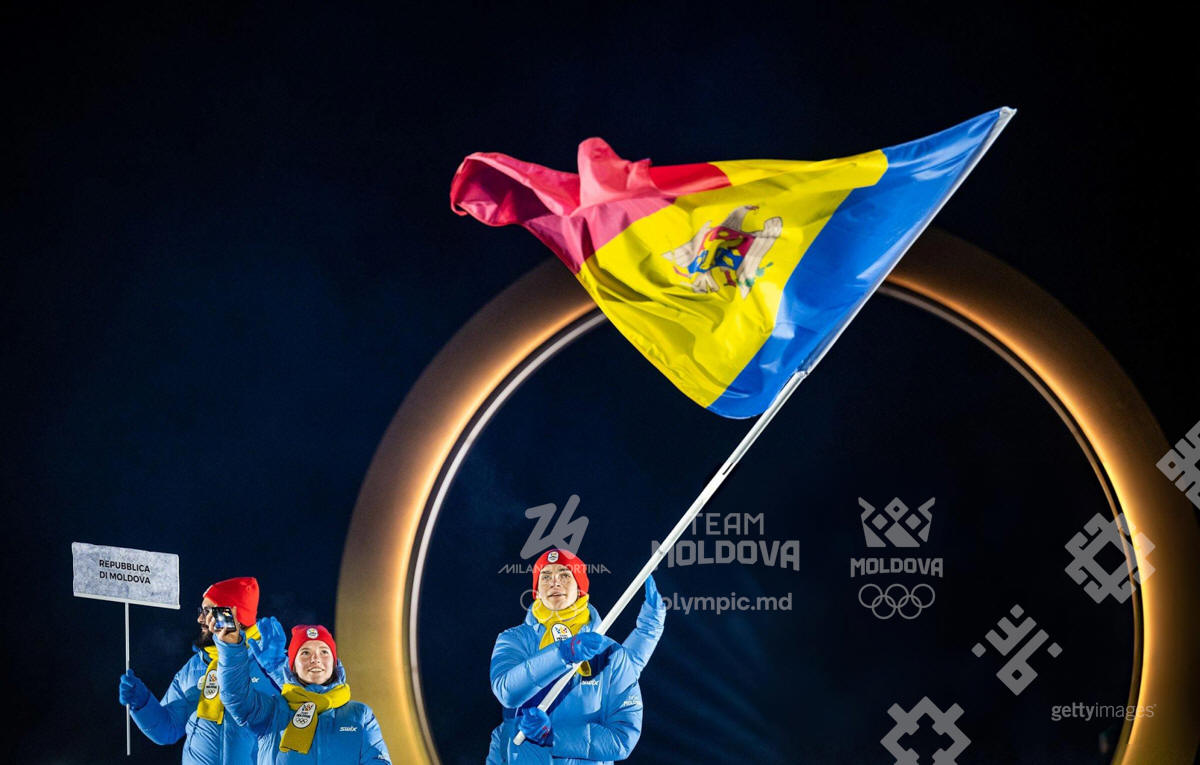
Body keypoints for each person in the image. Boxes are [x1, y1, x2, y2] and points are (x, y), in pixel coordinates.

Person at [485, 548, 663, 764]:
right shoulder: (514, 639)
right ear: (536, 591)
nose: (554, 582)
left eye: (564, 575)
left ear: (580, 588)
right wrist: (562, 654)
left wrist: (552, 736)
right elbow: (507, 691)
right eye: (545, 576)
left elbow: (622, 738)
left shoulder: (611, 653)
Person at [118, 576, 286, 764]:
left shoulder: (271, 663)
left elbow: (298, 716)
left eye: (207, 611)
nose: (200, 618)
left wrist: (279, 670)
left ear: (232, 614)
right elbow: (168, 730)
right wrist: (143, 704)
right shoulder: (194, 667)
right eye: (201, 611)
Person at [212, 617, 391, 764]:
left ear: (334, 663)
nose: (315, 659)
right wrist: (230, 649)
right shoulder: (272, 712)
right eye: (305, 652)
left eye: (324, 651)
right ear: (293, 666)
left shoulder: (359, 715)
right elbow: (235, 695)